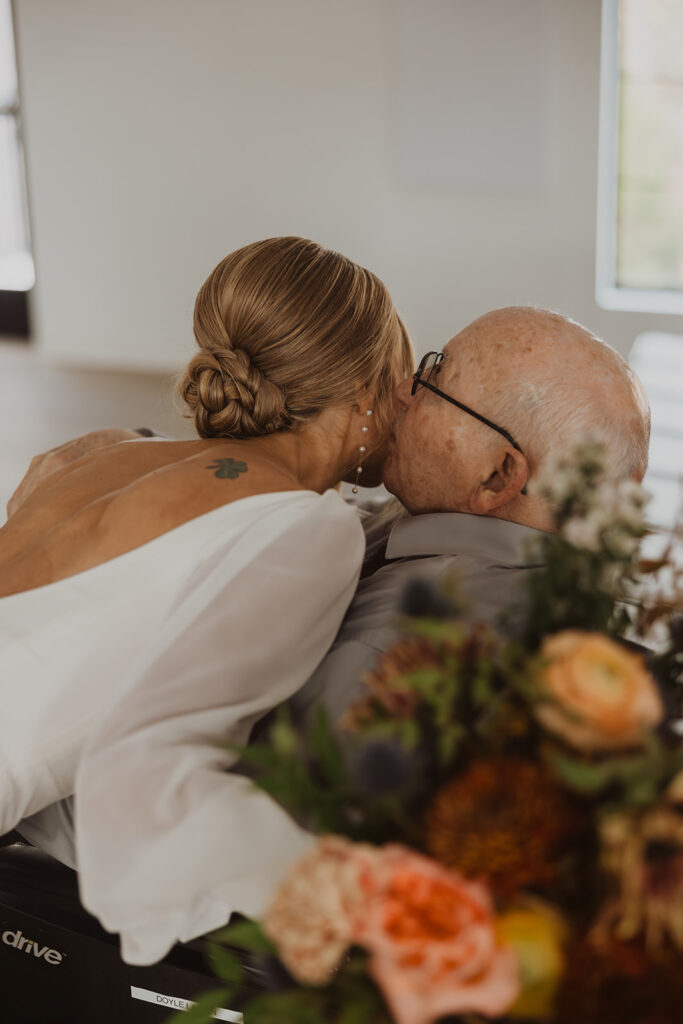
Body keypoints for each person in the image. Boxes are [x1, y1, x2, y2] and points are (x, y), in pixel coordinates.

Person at [0, 236, 413, 961]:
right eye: (405, 375)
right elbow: (150, 783)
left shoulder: (107, 452)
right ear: (364, 392)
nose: (410, 400)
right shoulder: (302, 528)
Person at [290, 305, 651, 726]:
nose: (404, 390)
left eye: (437, 379)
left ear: (498, 477)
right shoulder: (471, 530)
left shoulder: (388, 654)